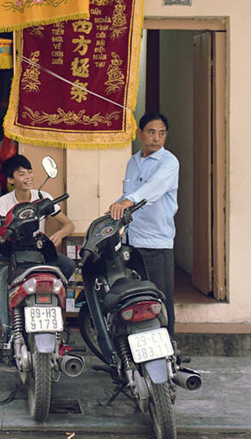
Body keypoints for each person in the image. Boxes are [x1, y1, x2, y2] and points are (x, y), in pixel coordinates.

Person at [108, 112, 179, 338]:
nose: (156, 138)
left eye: (161, 133)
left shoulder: (169, 162)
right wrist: (116, 207)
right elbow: (128, 194)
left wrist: (128, 201)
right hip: (132, 240)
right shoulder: (133, 161)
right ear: (140, 134)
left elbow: (153, 188)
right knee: (137, 300)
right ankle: (139, 351)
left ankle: (170, 352)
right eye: (151, 132)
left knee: (160, 299)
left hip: (157, 241)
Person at [0, 154, 76, 340]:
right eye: (22, 174)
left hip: (38, 249)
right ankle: (8, 331)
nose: (28, 177)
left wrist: (59, 235)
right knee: (2, 281)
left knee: (68, 266)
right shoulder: (3, 202)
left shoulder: (42, 197)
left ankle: (54, 310)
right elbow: (1, 233)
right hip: (13, 251)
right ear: (11, 180)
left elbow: (69, 225)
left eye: (30, 172)